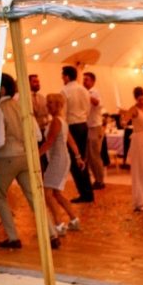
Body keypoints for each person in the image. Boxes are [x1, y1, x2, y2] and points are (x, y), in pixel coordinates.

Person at [0, 74, 59, 250]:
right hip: (26, 157)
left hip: (7, 158)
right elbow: (37, 135)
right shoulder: (22, 106)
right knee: (34, 197)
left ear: (2, 89)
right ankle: (52, 234)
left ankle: (13, 237)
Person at [39, 93, 82, 236]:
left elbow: (49, 142)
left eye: (50, 102)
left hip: (58, 159)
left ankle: (58, 225)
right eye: (47, 102)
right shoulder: (61, 121)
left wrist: (34, 156)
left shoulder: (57, 121)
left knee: (47, 193)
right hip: (62, 158)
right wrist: (78, 157)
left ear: (58, 104)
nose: (47, 105)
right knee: (56, 193)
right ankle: (74, 220)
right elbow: (70, 141)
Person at [61, 65, 95, 203]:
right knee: (83, 159)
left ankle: (84, 193)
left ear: (67, 76)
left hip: (72, 126)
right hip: (83, 124)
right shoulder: (84, 90)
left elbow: (63, 113)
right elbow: (88, 108)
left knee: (75, 161)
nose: (62, 79)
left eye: (63, 76)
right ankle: (88, 192)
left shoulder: (65, 91)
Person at [121, 87, 143, 213]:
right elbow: (125, 121)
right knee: (138, 170)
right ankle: (138, 201)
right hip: (138, 140)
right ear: (136, 99)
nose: (142, 101)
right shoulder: (133, 109)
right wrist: (123, 120)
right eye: (140, 99)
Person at [82, 71, 107, 190]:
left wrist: (87, 95)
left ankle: (100, 180)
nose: (84, 81)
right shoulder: (84, 92)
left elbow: (98, 103)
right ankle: (95, 178)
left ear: (92, 81)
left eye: (86, 79)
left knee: (95, 155)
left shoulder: (95, 92)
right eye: (83, 79)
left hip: (95, 126)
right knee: (88, 155)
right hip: (86, 126)